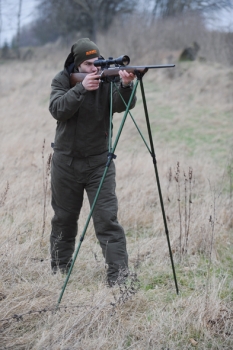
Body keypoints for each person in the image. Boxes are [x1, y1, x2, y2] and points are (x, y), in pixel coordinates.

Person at [49, 38, 136, 286]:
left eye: (96, 62)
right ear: (76, 65)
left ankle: (118, 280)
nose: (94, 68)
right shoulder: (63, 80)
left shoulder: (107, 80)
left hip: (100, 163)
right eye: (87, 64)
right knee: (63, 220)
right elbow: (57, 109)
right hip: (65, 162)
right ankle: (58, 271)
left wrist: (127, 85)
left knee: (107, 220)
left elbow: (123, 106)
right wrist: (81, 88)